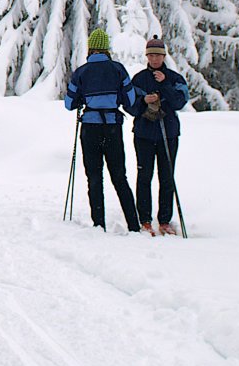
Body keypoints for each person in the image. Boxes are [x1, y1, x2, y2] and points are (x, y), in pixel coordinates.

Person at [64, 28, 141, 232]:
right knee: (119, 177)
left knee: (94, 177)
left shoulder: (81, 72)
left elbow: (69, 103)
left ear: (90, 49)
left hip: (90, 128)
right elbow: (130, 100)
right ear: (106, 49)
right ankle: (133, 224)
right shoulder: (118, 69)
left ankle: (99, 224)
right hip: (112, 127)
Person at [129, 35, 188, 236]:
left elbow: (180, 102)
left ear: (164, 57)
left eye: (158, 55)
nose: (154, 59)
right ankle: (144, 219)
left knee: (166, 176)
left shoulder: (174, 78)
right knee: (144, 176)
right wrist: (144, 100)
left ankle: (164, 220)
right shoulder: (138, 79)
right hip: (144, 134)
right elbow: (130, 106)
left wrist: (164, 87)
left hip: (168, 133)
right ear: (147, 56)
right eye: (151, 55)